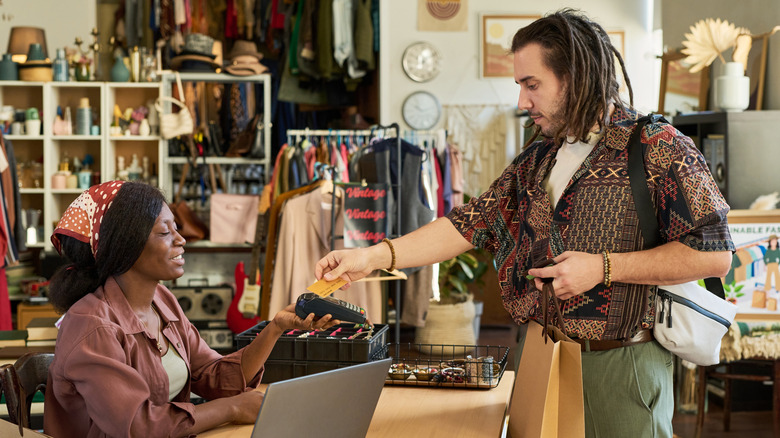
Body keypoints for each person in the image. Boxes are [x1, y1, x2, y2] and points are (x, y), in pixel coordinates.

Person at [315, 9, 734, 437]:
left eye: (532, 85)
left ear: (573, 77)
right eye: (520, 86)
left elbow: (715, 256)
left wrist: (603, 267)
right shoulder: (540, 157)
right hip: (541, 355)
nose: (522, 102)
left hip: (621, 367)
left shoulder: (656, 146)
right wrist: (370, 257)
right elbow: (469, 222)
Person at [44, 181, 338, 437]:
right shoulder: (91, 325)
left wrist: (275, 328)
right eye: (164, 232)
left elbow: (214, 376)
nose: (181, 240)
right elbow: (138, 426)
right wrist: (232, 407)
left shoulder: (162, 300)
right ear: (126, 246)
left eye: (177, 229)